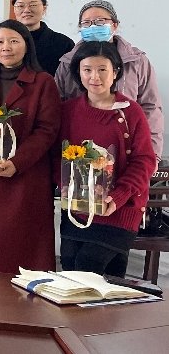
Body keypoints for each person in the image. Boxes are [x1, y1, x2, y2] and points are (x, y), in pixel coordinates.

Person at [0, 20, 61, 273]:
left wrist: (17, 162)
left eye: (14, 41)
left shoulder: (43, 82)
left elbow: (47, 130)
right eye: (0, 41)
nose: (6, 47)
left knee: (18, 249)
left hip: (25, 176)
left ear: (27, 46)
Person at [58, 41, 154, 277]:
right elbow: (56, 157)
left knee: (88, 265)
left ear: (116, 72)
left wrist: (117, 197)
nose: (95, 77)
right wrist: (64, 187)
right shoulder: (68, 111)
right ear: (78, 72)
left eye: (102, 69)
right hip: (77, 210)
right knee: (70, 266)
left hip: (119, 209)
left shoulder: (130, 111)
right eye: (87, 69)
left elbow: (144, 161)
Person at [55, 0, 163, 162]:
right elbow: (57, 107)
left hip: (128, 148)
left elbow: (151, 107)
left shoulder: (137, 61)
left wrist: (152, 156)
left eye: (100, 21)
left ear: (115, 25)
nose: (93, 27)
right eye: (86, 23)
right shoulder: (67, 63)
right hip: (80, 154)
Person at [11, 0, 74, 76]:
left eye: (33, 5)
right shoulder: (5, 43)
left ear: (44, 8)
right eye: (20, 6)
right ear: (14, 9)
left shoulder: (64, 43)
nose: (26, 10)